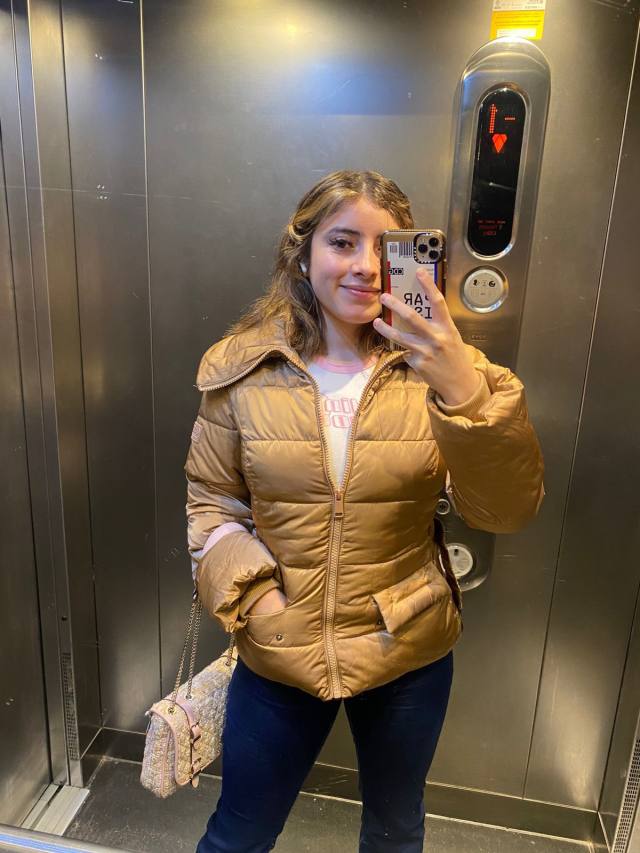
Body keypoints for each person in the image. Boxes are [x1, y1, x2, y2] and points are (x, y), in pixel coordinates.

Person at [185, 170, 545, 853]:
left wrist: (464, 392)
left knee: (394, 830)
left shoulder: (449, 369)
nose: (366, 266)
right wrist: (257, 599)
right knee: (237, 834)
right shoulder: (243, 368)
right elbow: (212, 502)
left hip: (405, 645)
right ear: (303, 253)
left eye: (388, 247)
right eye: (343, 241)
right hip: (281, 645)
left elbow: (505, 511)